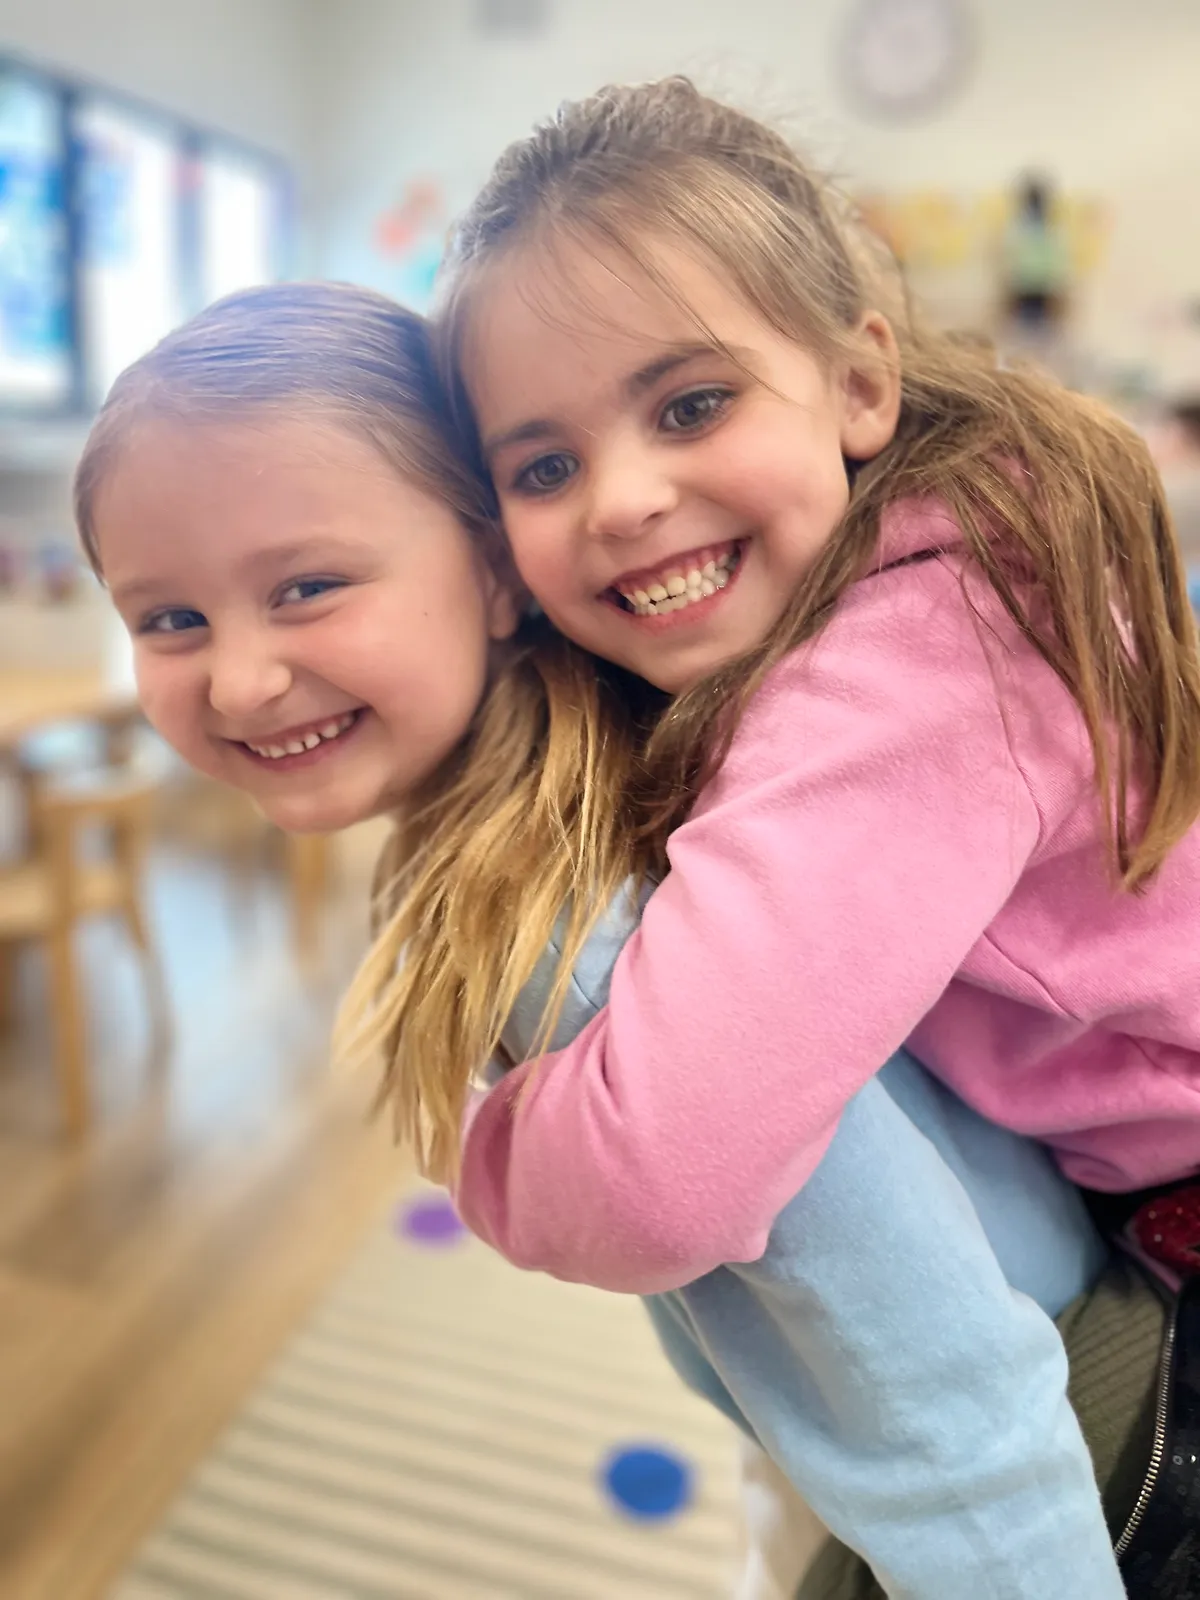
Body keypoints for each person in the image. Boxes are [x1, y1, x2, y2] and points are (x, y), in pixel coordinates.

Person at [77, 284, 1126, 1597]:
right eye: (169, 619)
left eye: (308, 587)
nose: (239, 680)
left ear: (497, 571)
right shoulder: (567, 815)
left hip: (1012, 1467)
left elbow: (932, 1384)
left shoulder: (574, 933)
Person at [358, 76, 1200, 1590]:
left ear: (859, 386)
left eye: (692, 405)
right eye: (543, 466)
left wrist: (483, 1154)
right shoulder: (890, 568)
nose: (624, 499)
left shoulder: (922, 658)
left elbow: (662, 1177)